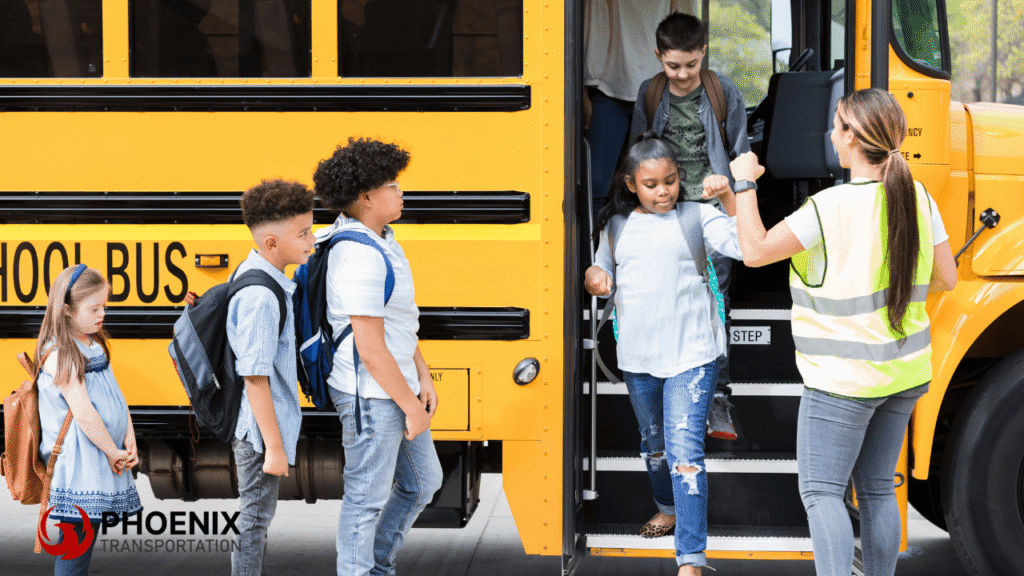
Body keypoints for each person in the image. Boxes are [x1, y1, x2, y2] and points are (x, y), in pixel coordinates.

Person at [726, 88, 958, 576]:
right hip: (903, 370)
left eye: (836, 125)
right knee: (876, 487)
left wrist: (743, 184)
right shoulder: (917, 196)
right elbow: (946, 277)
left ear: (852, 137)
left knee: (821, 492)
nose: (831, 134)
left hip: (842, 381)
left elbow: (754, 251)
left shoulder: (826, 208)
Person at [585, 133, 741, 575]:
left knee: (685, 454)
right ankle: (666, 507)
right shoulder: (616, 226)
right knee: (655, 449)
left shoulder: (697, 217)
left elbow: (745, 246)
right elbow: (601, 270)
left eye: (670, 181)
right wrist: (593, 277)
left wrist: (731, 196)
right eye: (651, 184)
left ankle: (690, 559)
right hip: (638, 358)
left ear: (680, 178)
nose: (663, 191)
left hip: (693, 356)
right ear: (632, 185)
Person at [313, 137, 443, 576]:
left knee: (424, 482)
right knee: (365, 499)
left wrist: (422, 375)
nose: (400, 190)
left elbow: (399, 321)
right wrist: (412, 408)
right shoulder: (358, 256)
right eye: (392, 184)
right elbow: (370, 348)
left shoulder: (384, 239)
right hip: (371, 395)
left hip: (396, 387)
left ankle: (377, 566)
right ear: (366, 197)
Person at [628, 12, 751, 442]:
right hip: (666, 213)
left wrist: (733, 194)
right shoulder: (651, 93)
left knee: (715, 304)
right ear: (659, 57)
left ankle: (717, 399)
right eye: (672, 66)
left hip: (710, 212)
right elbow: (638, 155)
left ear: (703, 53)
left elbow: (740, 154)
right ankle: (669, 388)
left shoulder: (722, 92)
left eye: (690, 65)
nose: (682, 75)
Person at [230, 179, 315, 576]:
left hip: (261, 430)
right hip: (259, 435)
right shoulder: (262, 297)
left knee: (256, 522)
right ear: (271, 243)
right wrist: (276, 449)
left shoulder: (261, 273)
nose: (310, 239)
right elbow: (255, 378)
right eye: (303, 233)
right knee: (253, 523)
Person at [36, 264, 142, 575]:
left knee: (83, 540)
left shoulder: (92, 343)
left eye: (104, 306)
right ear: (67, 309)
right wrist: (113, 451)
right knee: (75, 546)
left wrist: (129, 436)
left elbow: (116, 396)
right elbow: (83, 411)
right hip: (79, 465)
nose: (102, 314)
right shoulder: (60, 353)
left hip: (97, 459)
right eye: (94, 307)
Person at [583, 0, 688, 221]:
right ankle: (592, 253)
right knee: (596, 186)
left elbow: (683, 30)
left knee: (656, 185)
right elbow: (597, 30)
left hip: (656, 92)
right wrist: (585, 89)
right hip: (611, 88)